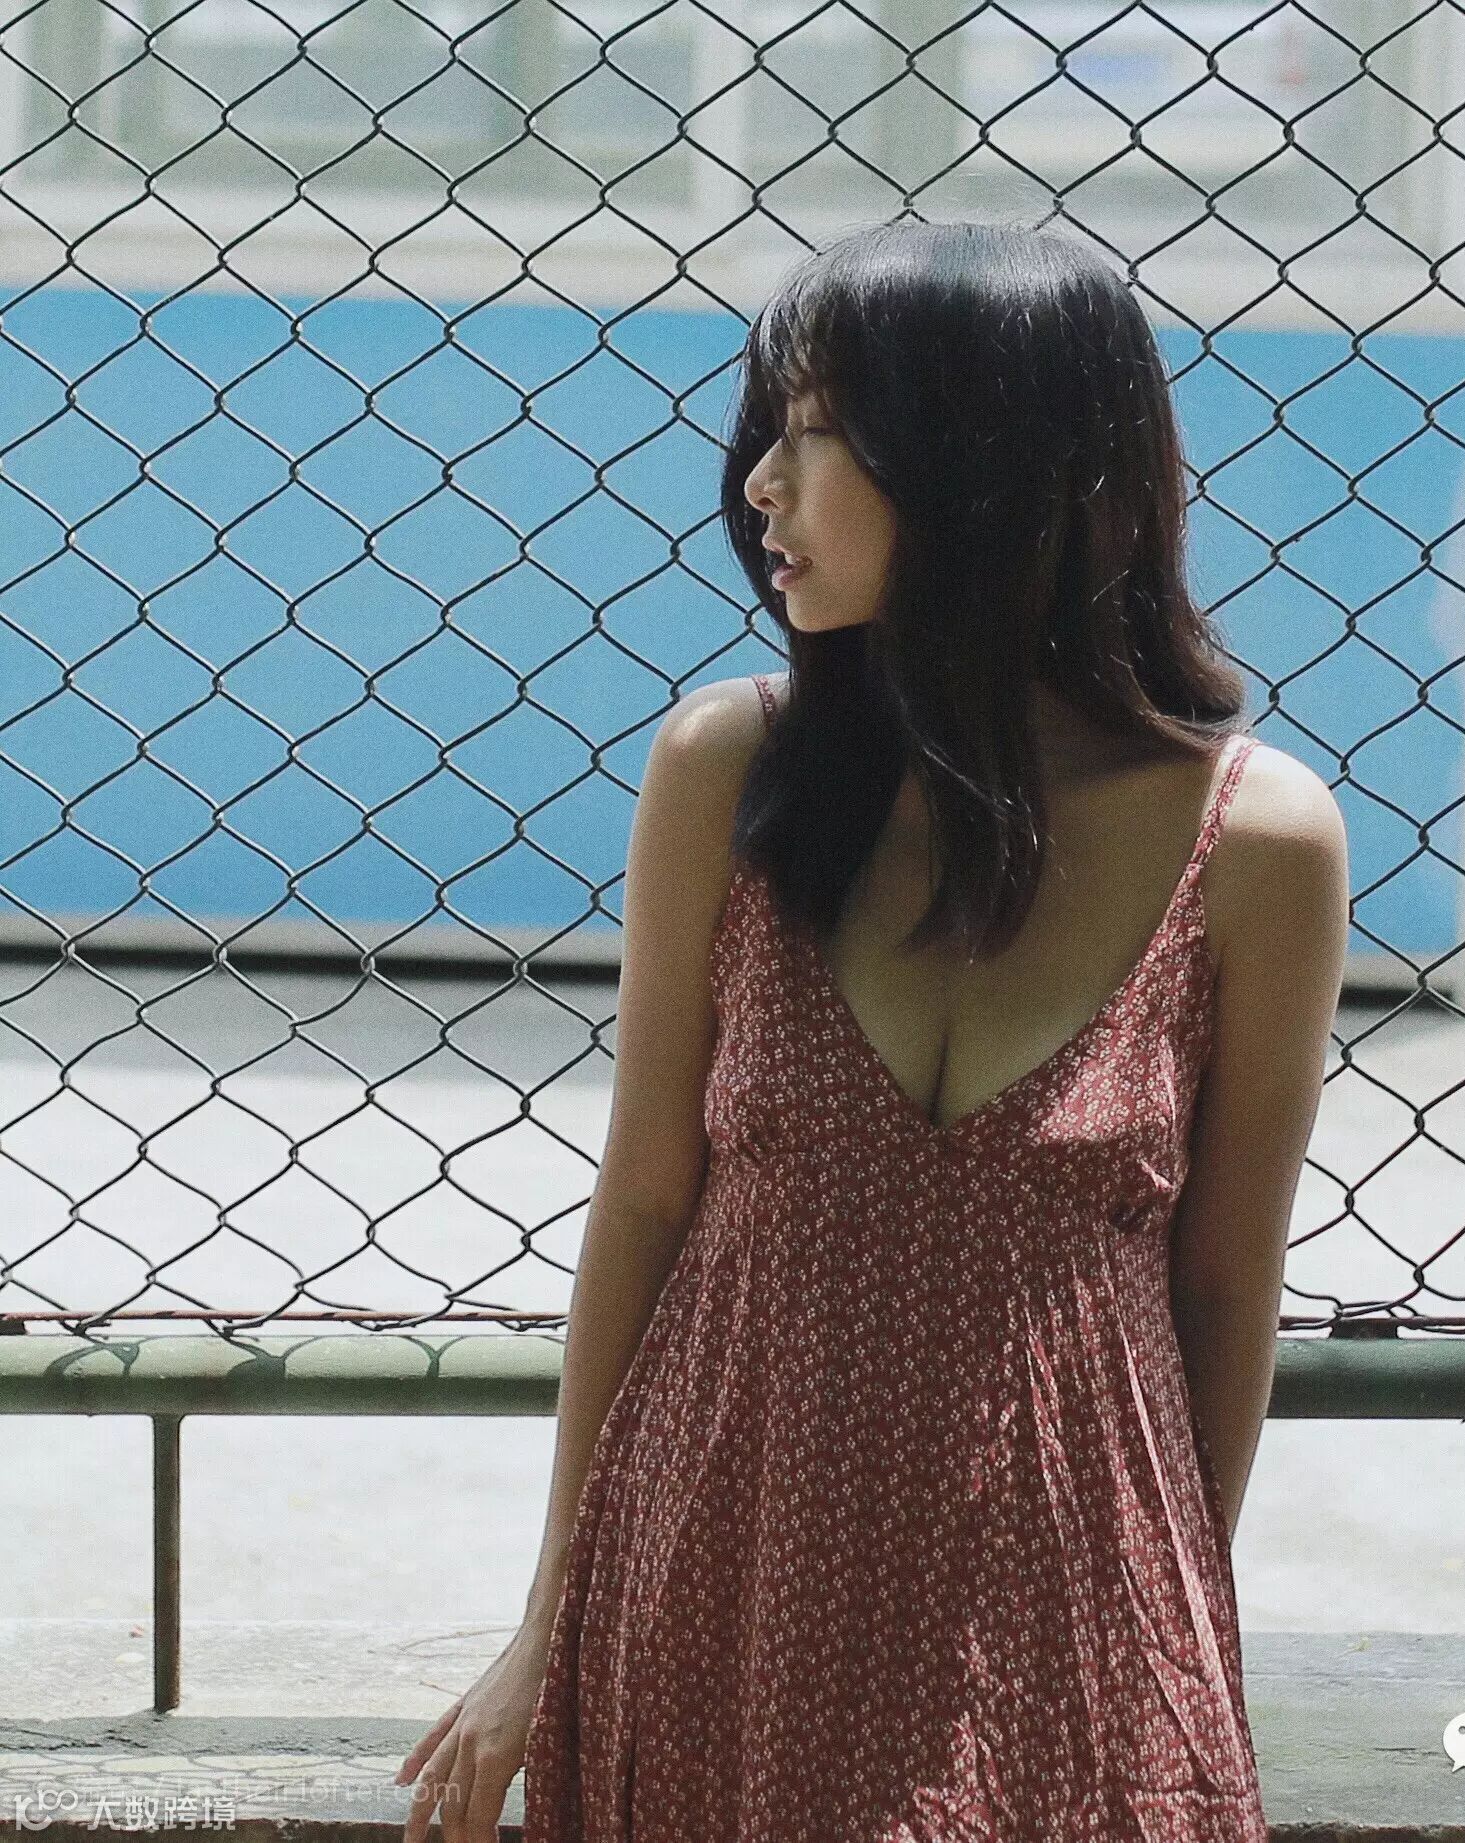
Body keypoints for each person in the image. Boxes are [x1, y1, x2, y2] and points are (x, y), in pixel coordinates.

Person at [394, 218, 1347, 1842]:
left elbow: (1223, 1284)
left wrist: (1166, 1640)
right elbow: (644, 1200)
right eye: (771, 423)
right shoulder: (730, 774)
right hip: (720, 1598)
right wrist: (548, 1623)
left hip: (1072, 1638)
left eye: (822, 430)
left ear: (992, 470)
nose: (760, 481)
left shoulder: (1258, 843)